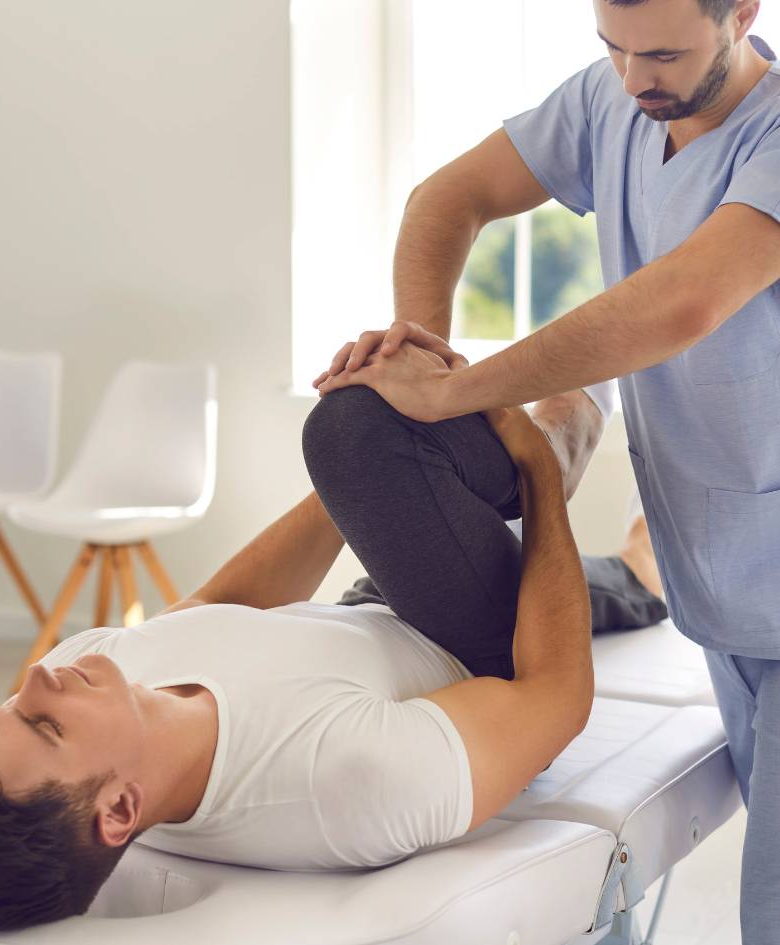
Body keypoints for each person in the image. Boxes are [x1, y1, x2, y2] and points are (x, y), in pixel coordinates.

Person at [313, 1, 780, 941]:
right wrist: (422, 350)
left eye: (660, 53)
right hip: (722, 585)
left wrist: (456, 394)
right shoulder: (609, 105)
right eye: (610, 49)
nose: (633, 77)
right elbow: (444, 199)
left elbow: (683, 300)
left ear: (743, 13)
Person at [0, 388, 666, 934]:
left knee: (363, 429)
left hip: (366, 616)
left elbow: (226, 602)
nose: (34, 676)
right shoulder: (339, 783)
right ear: (121, 811)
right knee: (352, 431)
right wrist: (535, 474)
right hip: (478, 656)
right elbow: (554, 698)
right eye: (41, 724)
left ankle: (631, 557)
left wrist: (353, 495)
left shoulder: (93, 675)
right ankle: (573, 426)